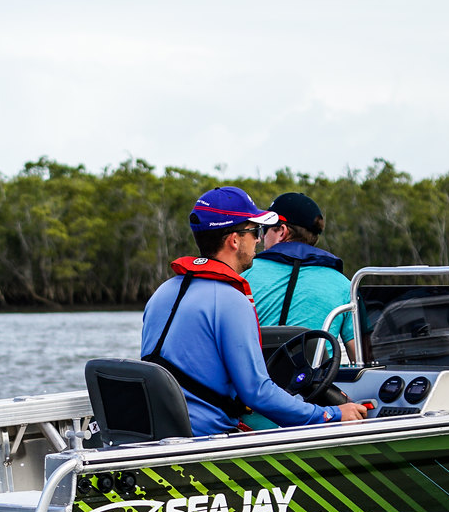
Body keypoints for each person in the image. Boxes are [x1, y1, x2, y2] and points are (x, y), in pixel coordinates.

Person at [139, 187, 374, 436]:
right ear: (234, 240)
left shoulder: (163, 292)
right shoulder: (232, 300)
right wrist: (332, 415)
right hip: (205, 440)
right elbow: (257, 392)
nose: (259, 240)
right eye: (254, 231)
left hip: (160, 430)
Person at [247, 191, 357, 359]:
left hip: (254, 383)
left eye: (264, 230)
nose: (261, 238)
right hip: (318, 384)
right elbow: (360, 357)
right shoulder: (345, 285)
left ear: (281, 232)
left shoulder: (242, 276)